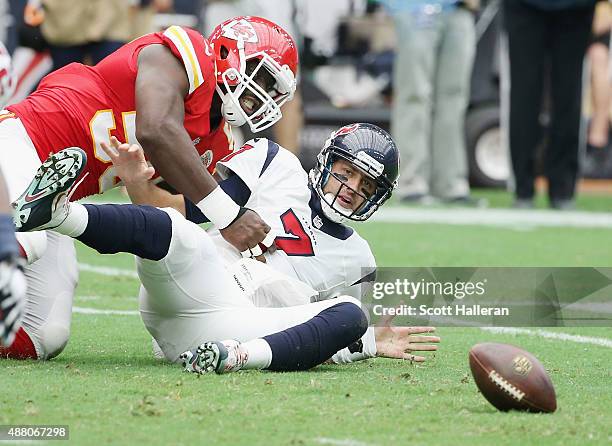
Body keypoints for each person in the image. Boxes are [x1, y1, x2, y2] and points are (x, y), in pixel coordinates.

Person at [13, 123, 439, 370]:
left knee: (349, 315)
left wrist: (366, 343)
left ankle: (234, 358)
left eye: (366, 186)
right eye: (347, 173)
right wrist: (139, 185)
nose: (351, 189)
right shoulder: (275, 163)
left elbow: (326, 338)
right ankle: (54, 214)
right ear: (327, 161)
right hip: (202, 283)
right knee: (174, 230)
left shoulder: (359, 259)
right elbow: (184, 212)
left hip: (241, 328)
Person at [0, 15, 299, 360]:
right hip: (22, 140)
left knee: (42, 334)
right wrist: (229, 217)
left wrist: (138, 184)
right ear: (227, 51)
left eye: (273, 89)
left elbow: (170, 218)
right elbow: (155, 129)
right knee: (27, 239)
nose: (263, 94)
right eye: (261, 76)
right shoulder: (184, 54)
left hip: (52, 197)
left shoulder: (217, 142)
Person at [381, 0, 480, 205]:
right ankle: (411, 182)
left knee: (455, 98)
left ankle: (451, 184)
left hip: (459, 10)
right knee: (414, 95)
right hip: (414, 8)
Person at [504, 0, 596, 209]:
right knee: (524, 93)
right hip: (523, 6)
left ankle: (562, 189)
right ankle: (523, 188)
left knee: (569, 95)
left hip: (576, 8)